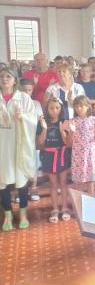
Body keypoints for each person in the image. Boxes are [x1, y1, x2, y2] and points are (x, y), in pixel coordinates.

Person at [0, 68, 37, 231]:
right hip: (2, 144)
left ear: (15, 80)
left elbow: (33, 119)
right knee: (3, 180)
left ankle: (23, 213)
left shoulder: (23, 98)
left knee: (21, 179)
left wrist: (23, 117)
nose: (4, 79)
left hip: (20, 142)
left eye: (8, 77)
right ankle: (7, 215)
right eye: (1, 77)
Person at [36, 97, 72, 223]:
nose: (54, 110)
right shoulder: (42, 122)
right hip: (48, 155)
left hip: (62, 154)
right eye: (51, 108)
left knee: (63, 182)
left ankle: (65, 207)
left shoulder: (64, 121)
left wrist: (64, 132)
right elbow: (39, 143)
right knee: (53, 183)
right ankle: (55, 208)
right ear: (47, 108)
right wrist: (44, 128)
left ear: (61, 108)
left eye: (57, 107)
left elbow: (68, 143)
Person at [68, 96, 95, 195]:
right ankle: (79, 203)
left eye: (81, 106)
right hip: (78, 155)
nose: (78, 108)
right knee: (78, 181)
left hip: (90, 154)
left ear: (87, 106)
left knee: (90, 180)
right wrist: (72, 131)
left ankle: (90, 202)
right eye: (76, 106)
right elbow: (69, 141)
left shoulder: (93, 120)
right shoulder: (73, 121)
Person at [19, 78, 44, 201]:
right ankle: (21, 190)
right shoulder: (15, 103)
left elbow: (39, 120)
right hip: (19, 139)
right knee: (20, 166)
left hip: (33, 139)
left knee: (33, 164)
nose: (26, 92)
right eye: (23, 90)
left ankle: (34, 188)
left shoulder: (36, 104)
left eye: (29, 90)